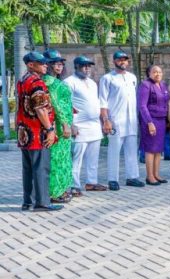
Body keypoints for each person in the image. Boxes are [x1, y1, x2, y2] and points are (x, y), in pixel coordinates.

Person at [17, 52, 62, 212]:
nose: (45, 65)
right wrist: (50, 129)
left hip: (25, 133)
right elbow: (40, 109)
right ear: (31, 64)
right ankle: (42, 202)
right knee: (41, 168)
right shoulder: (36, 82)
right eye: (41, 63)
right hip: (37, 132)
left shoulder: (23, 80)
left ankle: (28, 201)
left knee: (28, 169)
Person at [100, 51, 144, 190]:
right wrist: (106, 120)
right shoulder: (107, 78)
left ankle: (132, 177)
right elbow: (102, 102)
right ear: (114, 61)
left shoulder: (132, 77)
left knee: (132, 150)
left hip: (131, 120)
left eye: (125, 59)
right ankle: (113, 179)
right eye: (120, 59)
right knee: (114, 151)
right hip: (115, 120)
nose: (123, 62)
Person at [64, 55, 105, 195]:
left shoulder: (92, 83)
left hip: (94, 125)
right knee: (77, 159)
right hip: (79, 125)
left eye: (89, 66)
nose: (87, 68)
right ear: (76, 66)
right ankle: (74, 186)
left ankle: (91, 182)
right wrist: (71, 124)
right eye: (84, 66)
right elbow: (66, 105)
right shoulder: (69, 82)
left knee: (93, 158)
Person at [42, 50, 74, 203]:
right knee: (57, 160)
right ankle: (55, 193)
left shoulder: (55, 81)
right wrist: (66, 125)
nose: (59, 66)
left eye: (61, 63)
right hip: (59, 126)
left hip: (64, 124)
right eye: (55, 63)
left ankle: (61, 189)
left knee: (63, 158)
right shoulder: (50, 82)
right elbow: (56, 104)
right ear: (48, 65)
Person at [137, 65, 170, 186]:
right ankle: (149, 176)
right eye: (155, 72)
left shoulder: (163, 85)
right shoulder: (145, 85)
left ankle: (156, 174)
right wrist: (149, 122)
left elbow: (166, 102)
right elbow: (142, 106)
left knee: (158, 149)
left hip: (162, 120)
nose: (158, 74)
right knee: (150, 149)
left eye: (160, 72)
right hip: (150, 120)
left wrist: (168, 119)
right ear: (149, 73)